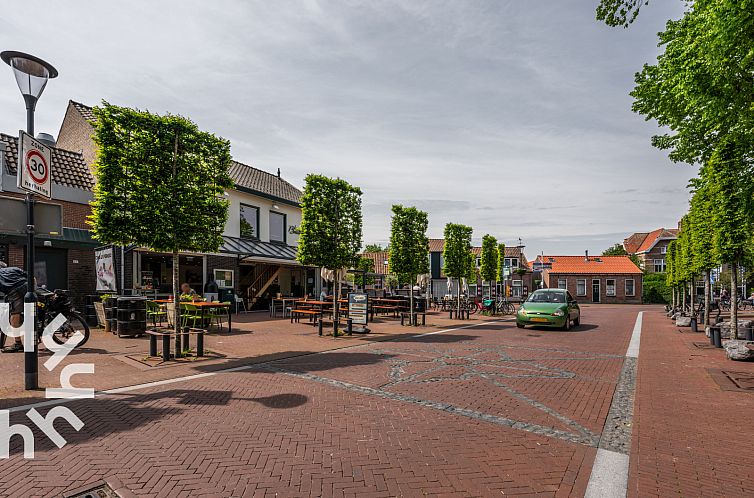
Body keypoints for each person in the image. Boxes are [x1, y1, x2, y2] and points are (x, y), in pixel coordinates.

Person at [0, 266, 29, 353]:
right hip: (28, 286)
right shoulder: (13, 268)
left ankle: (18, 344)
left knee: (14, 314)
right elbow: (32, 277)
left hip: (14, 291)